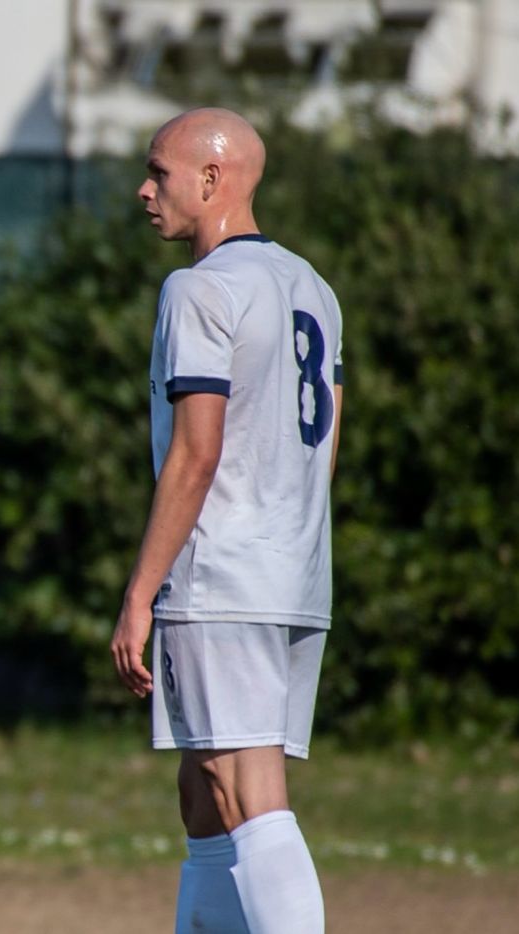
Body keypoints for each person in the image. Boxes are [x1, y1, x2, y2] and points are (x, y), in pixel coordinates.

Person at [111, 108, 342, 933]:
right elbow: (327, 445)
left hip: (222, 575)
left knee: (249, 793)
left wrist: (141, 591)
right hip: (291, 570)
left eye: (158, 172)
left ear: (211, 180)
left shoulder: (199, 288)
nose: (145, 190)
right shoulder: (310, 286)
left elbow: (195, 452)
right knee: (203, 798)